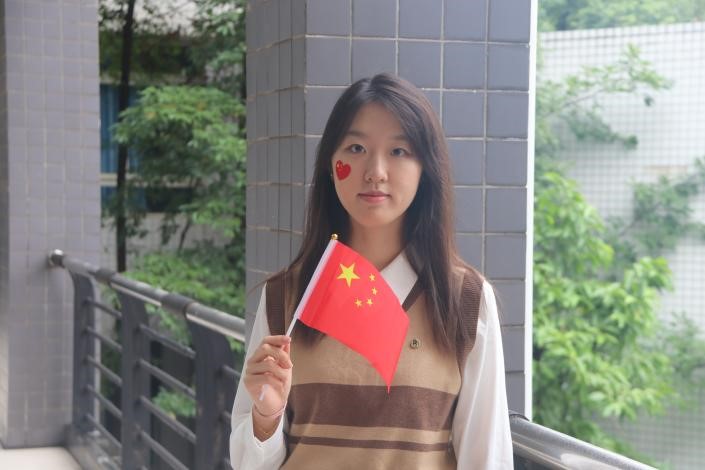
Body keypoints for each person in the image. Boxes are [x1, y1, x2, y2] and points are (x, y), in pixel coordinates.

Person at [230, 73, 513, 469]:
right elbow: (248, 463)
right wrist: (267, 415)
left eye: (399, 151)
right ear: (331, 165)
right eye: (356, 148)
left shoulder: (464, 300)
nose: (376, 171)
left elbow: (487, 460)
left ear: (425, 169)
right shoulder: (287, 297)